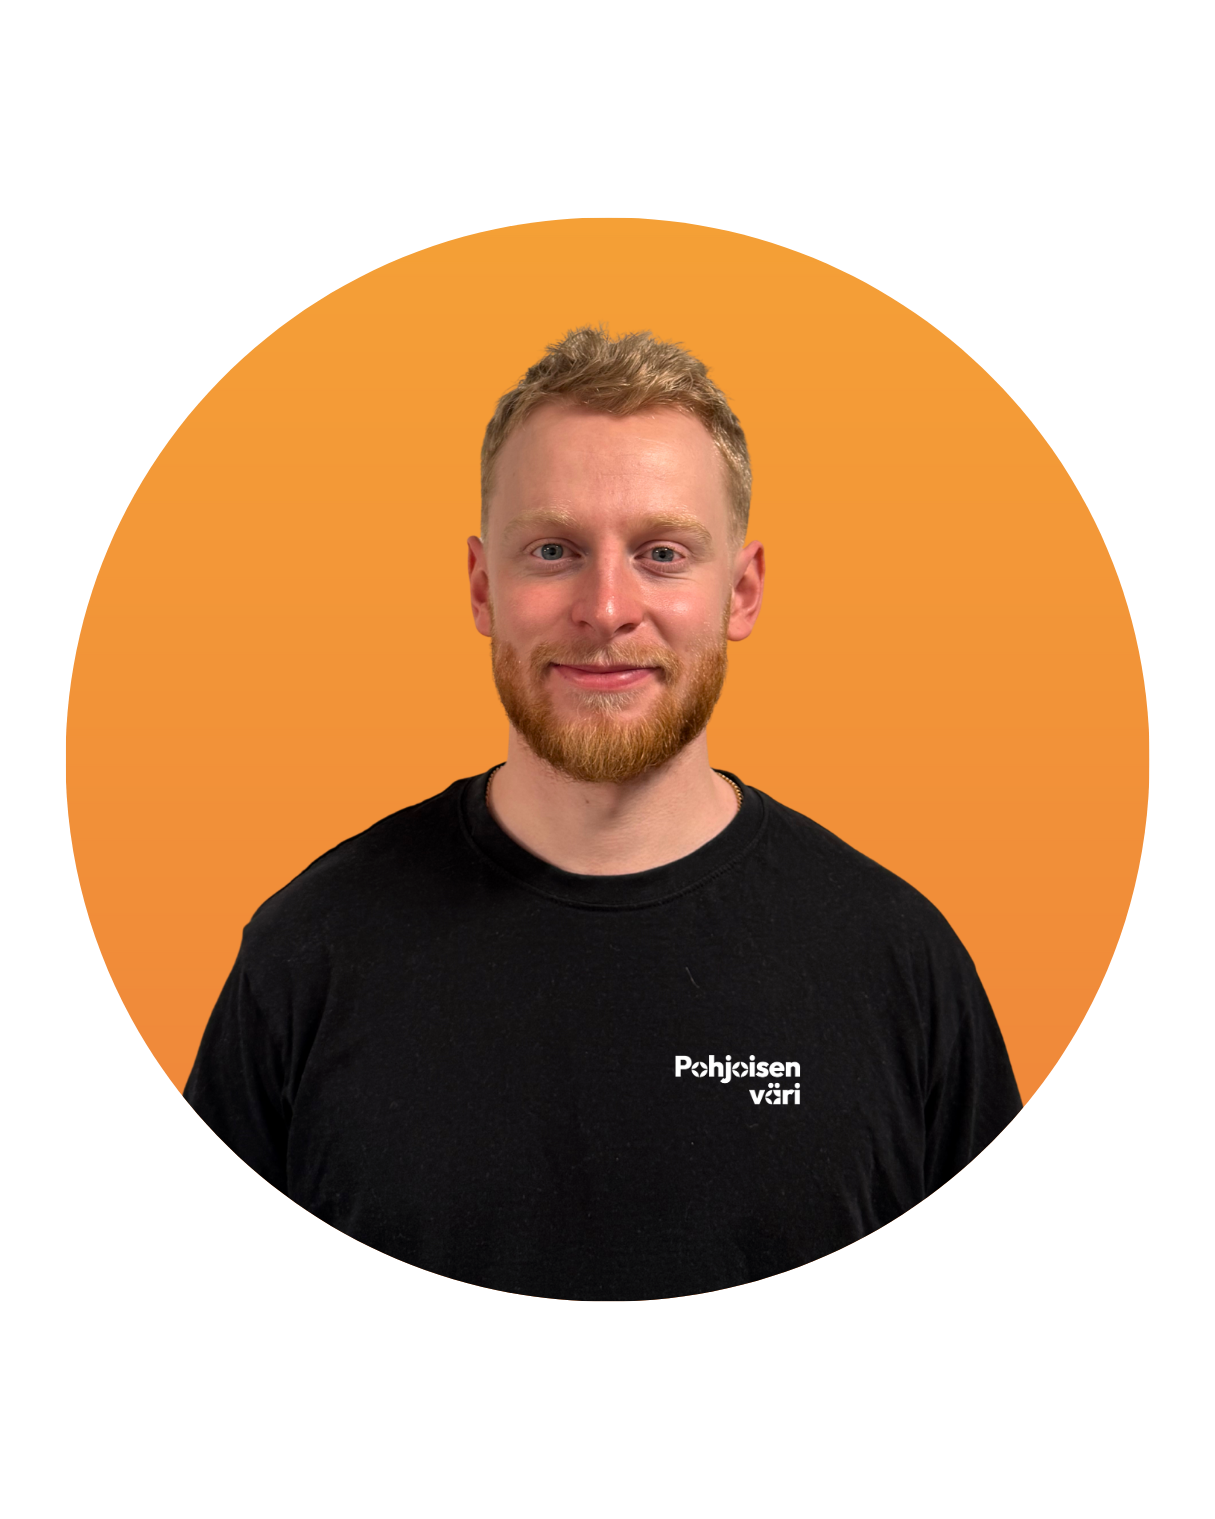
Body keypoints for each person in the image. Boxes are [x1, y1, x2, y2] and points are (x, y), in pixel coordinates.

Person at [185, 326, 1022, 1298]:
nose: (608, 607)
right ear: (482, 587)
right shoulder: (307, 956)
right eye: (554, 550)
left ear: (741, 591)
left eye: (663, 553)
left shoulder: (898, 963)